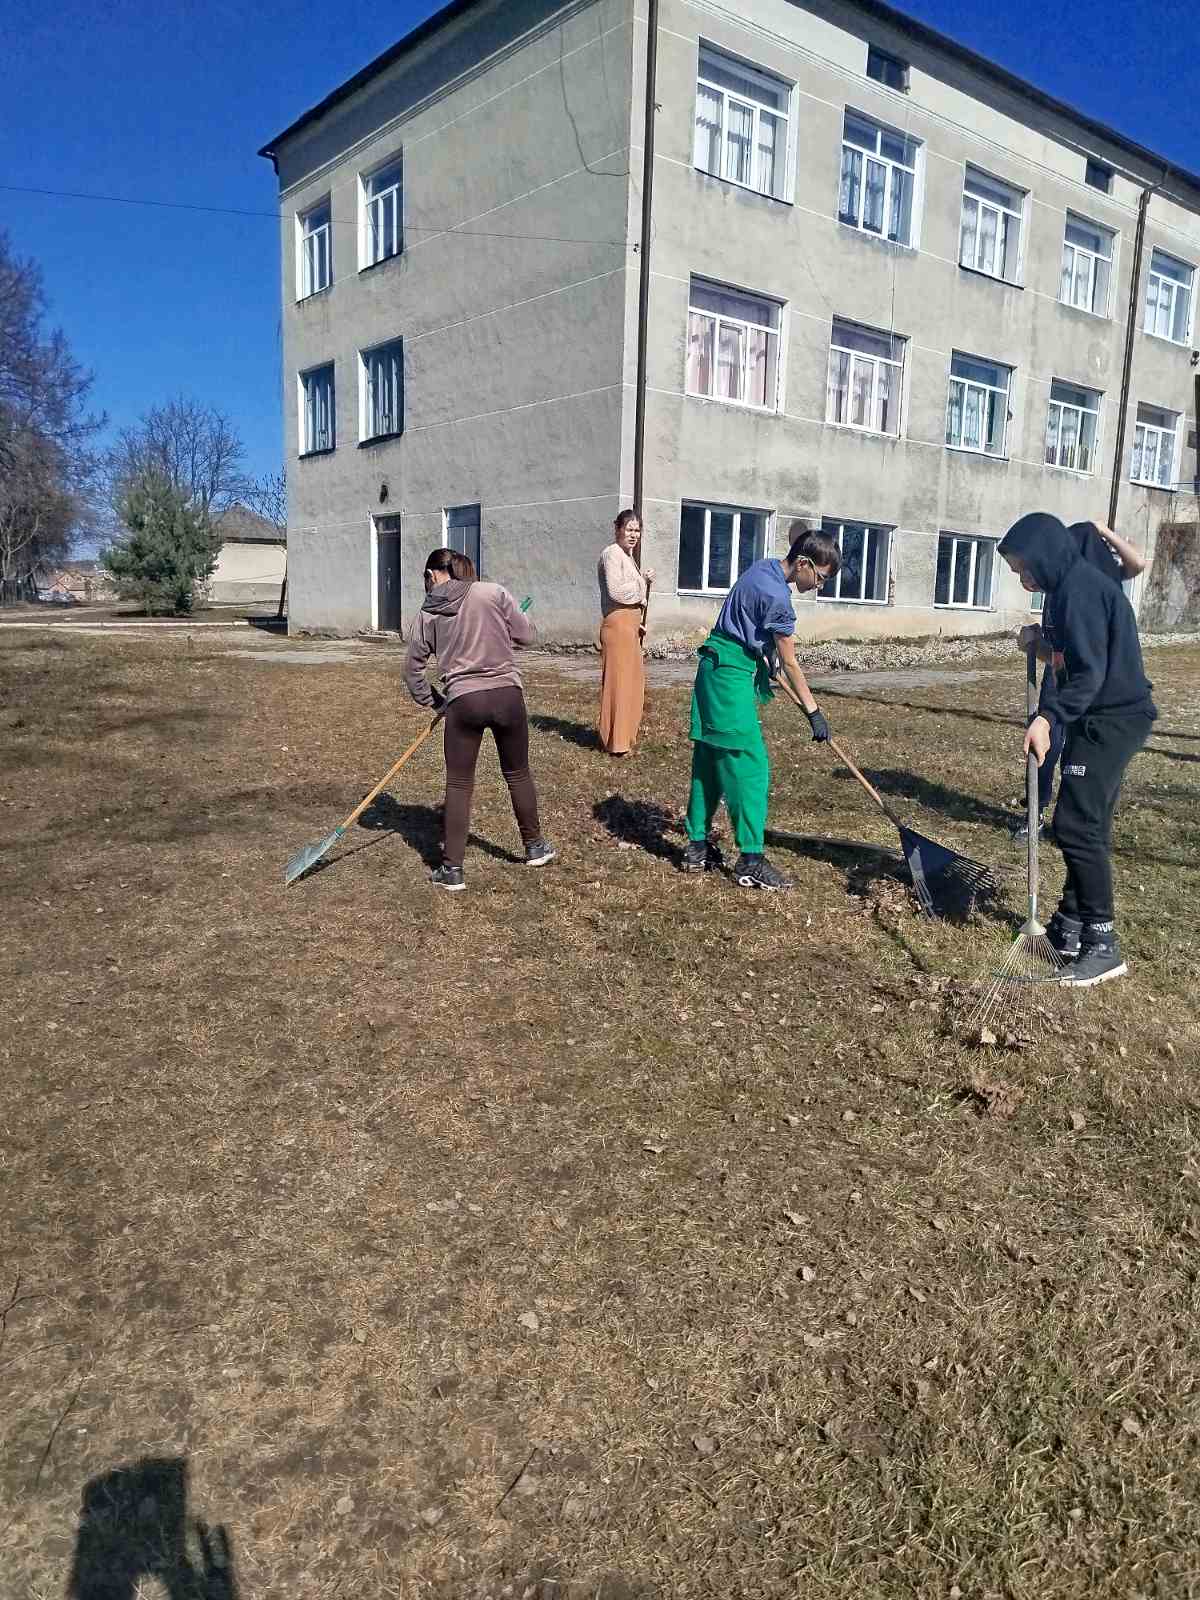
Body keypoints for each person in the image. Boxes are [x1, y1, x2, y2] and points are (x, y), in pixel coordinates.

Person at [998, 512, 1156, 986]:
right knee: (1084, 823)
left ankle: (1102, 946)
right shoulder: (1067, 588)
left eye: (1024, 569)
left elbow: (1089, 673)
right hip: (1100, 715)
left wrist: (1047, 719)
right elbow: (1073, 658)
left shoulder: (1081, 590)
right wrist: (1041, 646)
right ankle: (1069, 927)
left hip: (1111, 719)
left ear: (1045, 557)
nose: (1023, 580)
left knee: (1076, 826)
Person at [681, 523, 841, 891]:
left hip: (712, 669)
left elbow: (755, 630)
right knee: (751, 768)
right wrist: (814, 712)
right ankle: (751, 860)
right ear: (803, 564)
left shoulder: (764, 568)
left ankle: (696, 848)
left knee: (709, 763)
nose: (819, 586)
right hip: (729, 678)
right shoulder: (778, 597)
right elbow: (791, 664)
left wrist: (763, 654)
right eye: (820, 578)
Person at [404, 548, 555, 892]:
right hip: (507, 696)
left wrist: (437, 702)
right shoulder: (493, 592)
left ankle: (452, 870)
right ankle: (534, 846)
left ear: (432, 575)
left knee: (459, 784)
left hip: (464, 702)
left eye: (425, 579)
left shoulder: (428, 612)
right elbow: (527, 635)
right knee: (518, 772)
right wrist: (514, 621)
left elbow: (412, 672)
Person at [1011, 519, 1147, 838]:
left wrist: (1104, 531)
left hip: (1094, 689)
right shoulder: (1059, 587)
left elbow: (1138, 563)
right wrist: (1036, 643)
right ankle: (1038, 813)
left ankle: (1081, 824)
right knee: (1046, 745)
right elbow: (1059, 654)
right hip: (1062, 676)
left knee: (1079, 754)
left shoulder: (1093, 586)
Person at [597, 509, 654, 755]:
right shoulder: (611, 554)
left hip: (629, 625)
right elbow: (616, 592)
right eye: (629, 529)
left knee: (632, 682)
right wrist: (642, 583)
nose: (633, 535)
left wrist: (636, 621)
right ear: (618, 529)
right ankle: (616, 742)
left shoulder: (627, 557)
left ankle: (626, 736)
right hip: (618, 625)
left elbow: (630, 594)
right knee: (619, 683)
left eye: (637, 530)